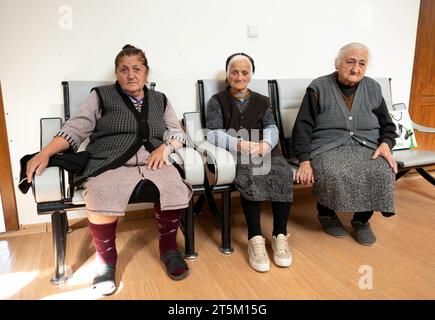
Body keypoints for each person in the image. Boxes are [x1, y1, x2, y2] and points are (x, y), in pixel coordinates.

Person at [26, 45, 192, 295]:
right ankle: (106, 261)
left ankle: (168, 248)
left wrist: (166, 148)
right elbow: (76, 128)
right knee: (100, 190)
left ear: (146, 73)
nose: (131, 74)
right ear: (117, 73)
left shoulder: (161, 99)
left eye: (137, 68)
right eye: (124, 69)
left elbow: (176, 131)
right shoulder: (100, 95)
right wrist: (45, 152)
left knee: (174, 185)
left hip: (154, 161)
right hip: (108, 161)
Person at [292, 42, 398, 246]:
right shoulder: (318, 87)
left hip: (367, 145)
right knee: (331, 170)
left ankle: (361, 220)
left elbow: (388, 125)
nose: (355, 68)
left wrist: (386, 144)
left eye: (361, 63)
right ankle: (326, 215)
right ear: (337, 63)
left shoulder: (373, 88)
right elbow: (302, 127)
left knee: (381, 170)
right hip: (327, 147)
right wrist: (305, 160)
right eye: (350, 62)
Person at [206, 53, 293, 272]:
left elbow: (272, 127)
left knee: (282, 173)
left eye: (245, 72)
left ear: (251, 75)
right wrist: (239, 145)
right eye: (234, 72)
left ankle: (279, 235)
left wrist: (265, 144)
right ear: (227, 75)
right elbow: (213, 133)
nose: (239, 76)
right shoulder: (216, 101)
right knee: (251, 175)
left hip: (264, 149)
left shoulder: (263, 100)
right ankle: (255, 239)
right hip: (236, 151)